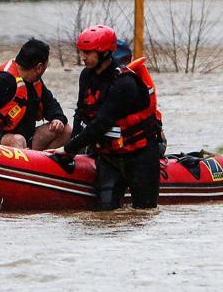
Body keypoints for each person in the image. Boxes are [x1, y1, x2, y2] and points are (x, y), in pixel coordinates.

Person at [49, 25, 162, 210]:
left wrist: (69, 148)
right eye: (81, 52)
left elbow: (101, 124)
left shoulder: (124, 83)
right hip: (109, 158)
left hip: (140, 157)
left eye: (87, 53)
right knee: (104, 214)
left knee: (144, 213)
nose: (82, 57)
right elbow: (81, 114)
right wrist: (73, 152)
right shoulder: (86, 76)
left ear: (103, 53)